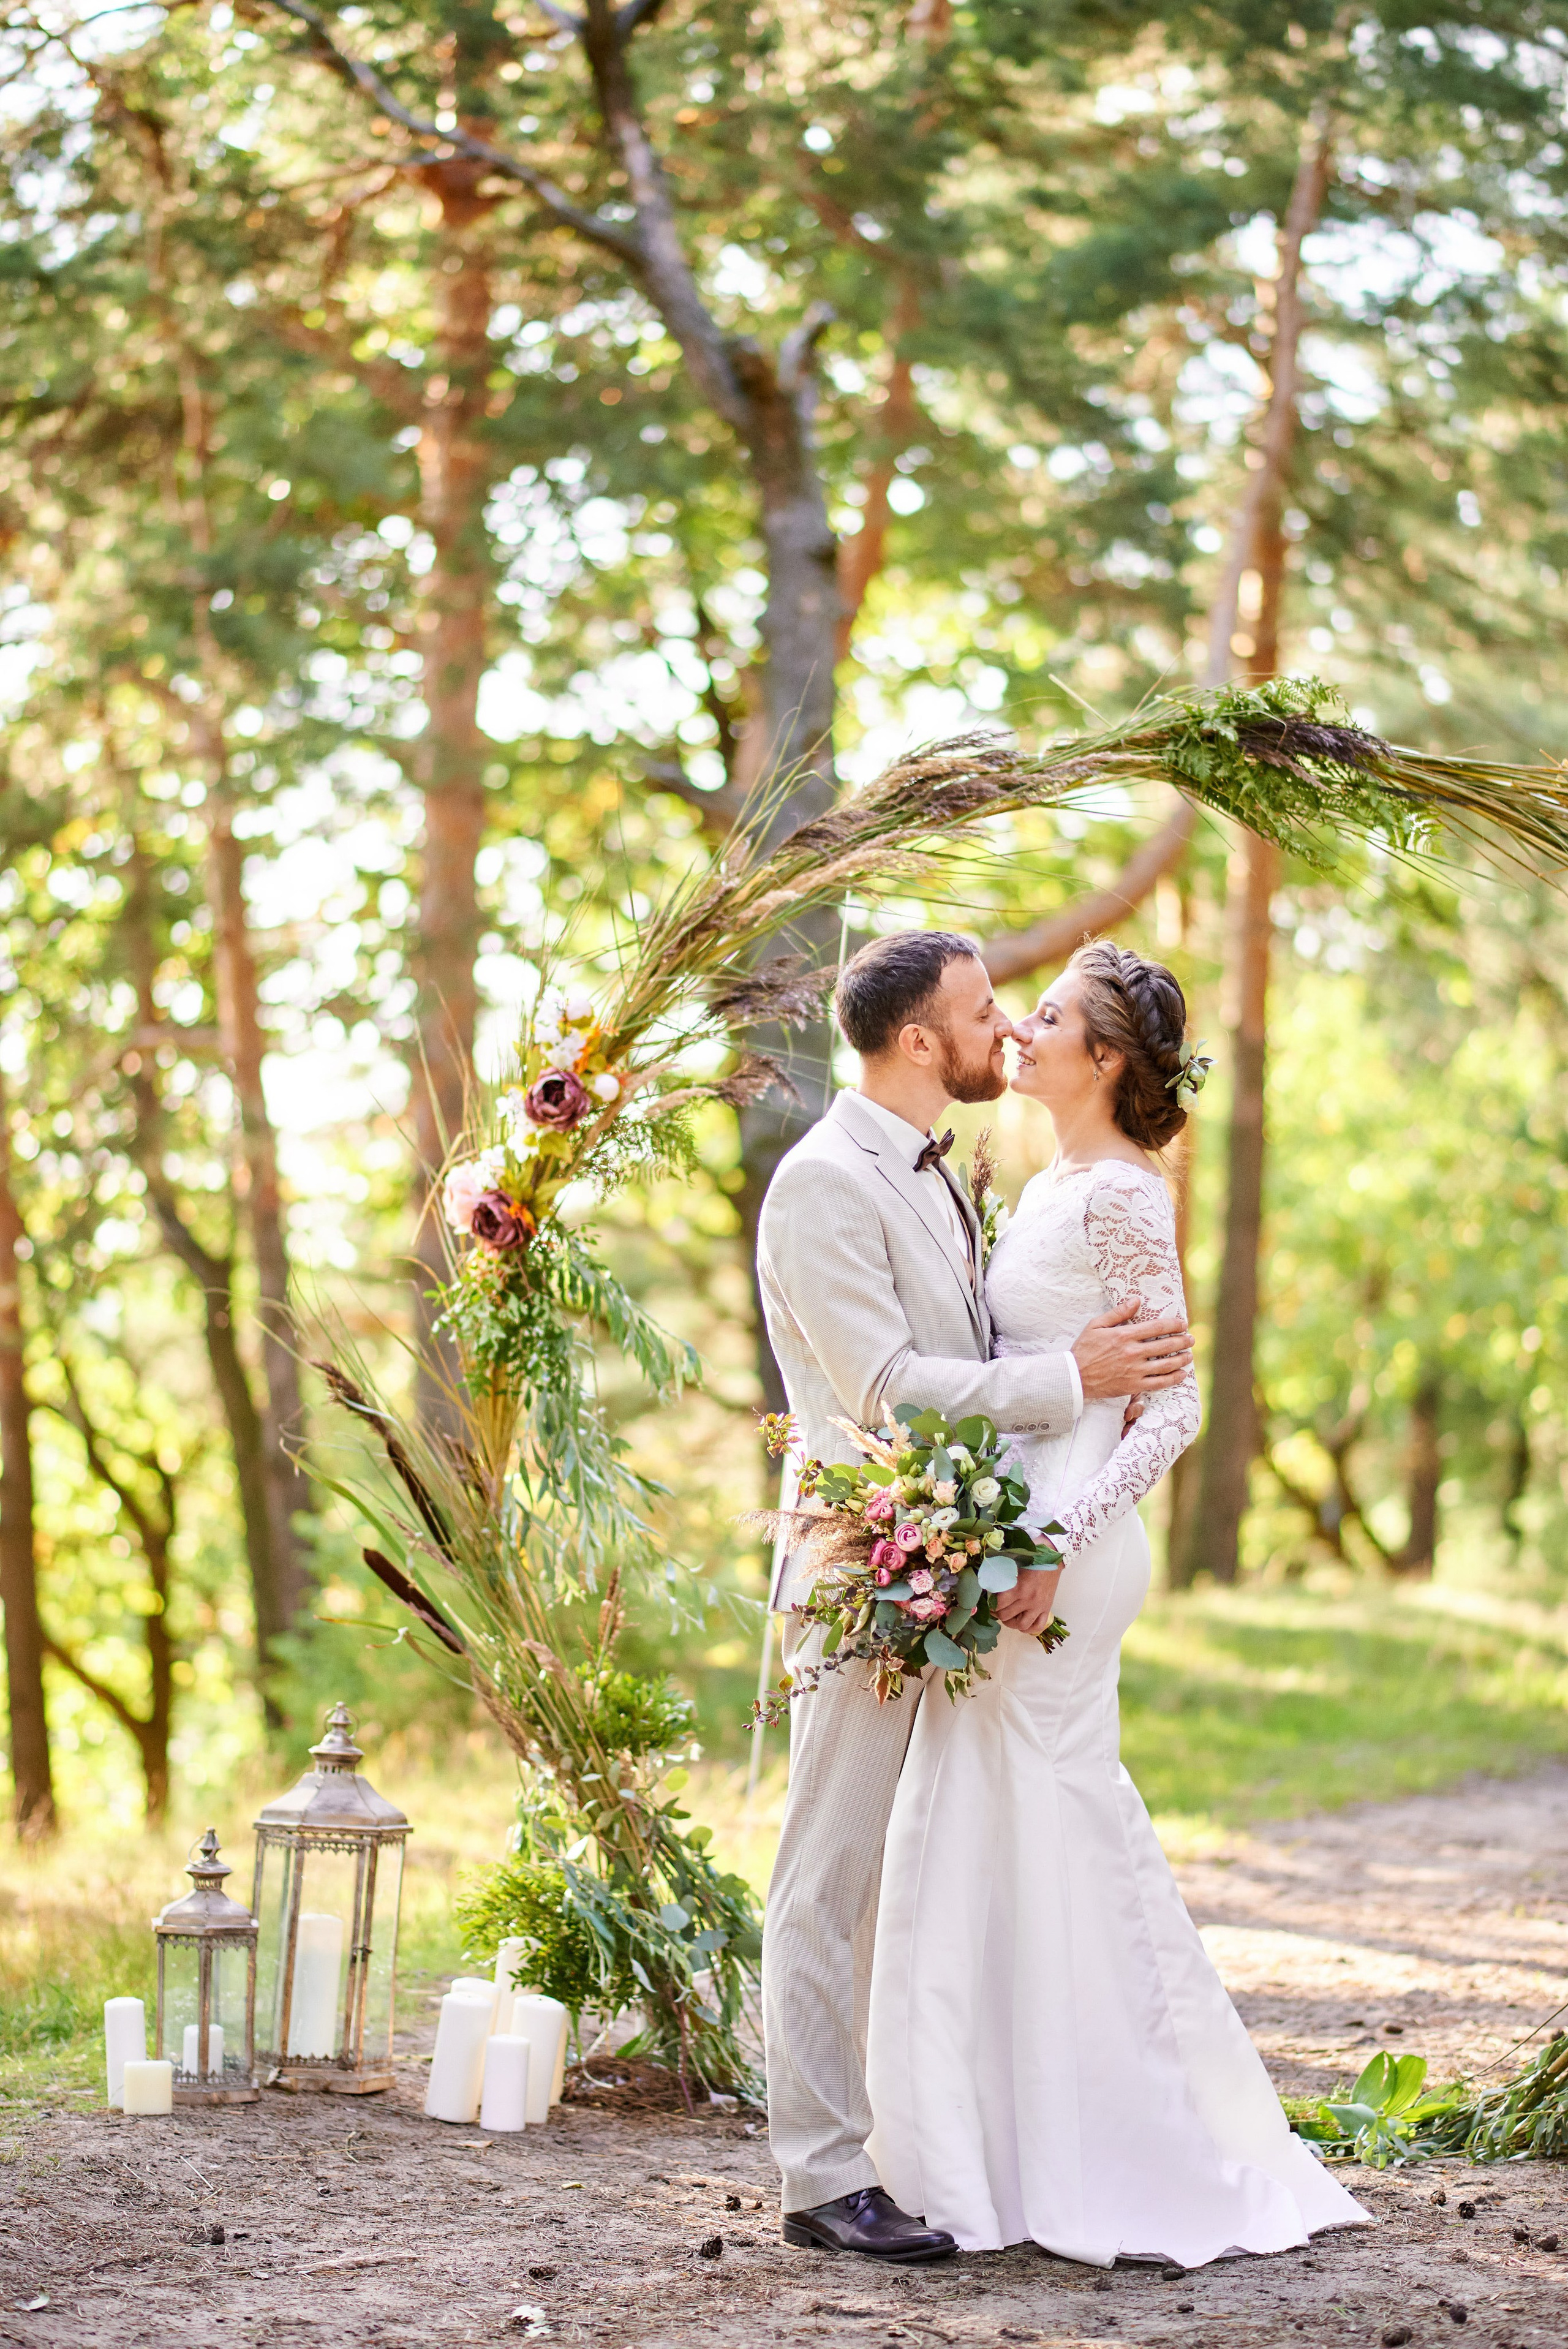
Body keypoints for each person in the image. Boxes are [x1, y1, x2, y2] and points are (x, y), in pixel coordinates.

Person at [862, 938, 1370, 2264]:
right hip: (1014, 1526)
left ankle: (1127, 2148)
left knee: (1048, 1815)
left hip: (1069, 1544)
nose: (1017, 1030)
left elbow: (1175, 1405)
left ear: (1103, 1061)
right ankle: (992, 2146)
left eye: (1046, 1018)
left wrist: (1051, 1537)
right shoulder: (1048, 1180)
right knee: (989, 1819)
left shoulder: (1122, 1199)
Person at [755, 930, 1196, 2263]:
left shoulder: (948, 1173)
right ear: (913, 1041)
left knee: (916, 1866)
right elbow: (885, 1383)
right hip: (857, 1566)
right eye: (978, 1010)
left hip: (948, 1564)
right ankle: (820, 2173)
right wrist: (1068, 1378)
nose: (1001, 1028)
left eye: (1020, 1009)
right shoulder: (825, 1183)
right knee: (826, 1872)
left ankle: (926, 2139)